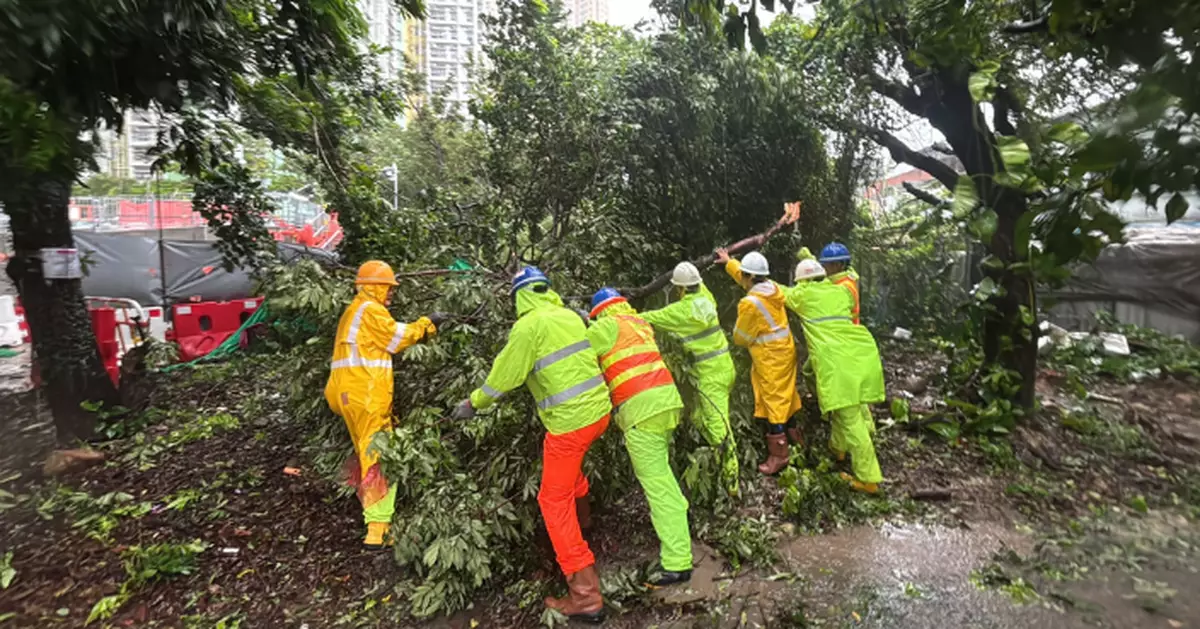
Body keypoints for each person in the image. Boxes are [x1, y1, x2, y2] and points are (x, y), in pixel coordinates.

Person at [450, 267, 610, 623]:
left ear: (519, 297)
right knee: (570, 471)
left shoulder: (528, 327)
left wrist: (473, 403)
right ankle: (586, 523)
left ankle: (585, 596)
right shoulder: (569, 315)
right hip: (600, 413)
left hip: (569, 424)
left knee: (552, 501)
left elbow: (504, 378)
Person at [324, 260, 445, 548]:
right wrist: (428, 324)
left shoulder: (354, 311)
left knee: (367, 454)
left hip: (347, 394)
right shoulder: (370, 310)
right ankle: (377, 530)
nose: (392, 293)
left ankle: (373, 517)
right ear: (374, 287)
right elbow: (396, 338)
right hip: (365, 395)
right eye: (388, 288)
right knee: (380, 458)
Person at [586, 287, 694, 586]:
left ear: (598, 314)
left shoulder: (605, 327)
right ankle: (682, 526)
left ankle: (677, 562)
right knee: (664, 476)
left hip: (641, 410)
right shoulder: (638, 323)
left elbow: (575, 348)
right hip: (666, 402)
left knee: (658, 485)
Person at [783, 259, 885, 493]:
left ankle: (868, 479)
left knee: (852, 422)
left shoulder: (802, 296)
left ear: (801, 281)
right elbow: (845, 278)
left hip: (837, 367)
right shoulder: (842, 292)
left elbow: (770, 289)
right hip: (858, 356)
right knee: (843, 410)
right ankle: (838, 449)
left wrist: (733, 266)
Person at [639, 262, 739, 496]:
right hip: (725, 368)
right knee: (697, 416)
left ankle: (731, 482)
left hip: (709, 377)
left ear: (680, 288)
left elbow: (645, 318)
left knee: (719, 428)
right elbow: (698, 284)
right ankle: (717, 461)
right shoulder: (707, 298)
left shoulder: (679, 312)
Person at [715, 248, 802, 476]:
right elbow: (745, 277)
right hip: (786, 350)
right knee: (786, 395)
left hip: (770, 357)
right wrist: (729, 262)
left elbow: (741, 338)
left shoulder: (750, 303)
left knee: (773, 402)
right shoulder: (772, 288)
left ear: (750, 277)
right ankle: (795, 437)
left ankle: (779, 455)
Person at [817, 242, 860, 325]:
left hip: (845, 330)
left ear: (838, 265)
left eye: (825, 265)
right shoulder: (842, 280)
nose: (823, 268)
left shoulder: (845, 286)